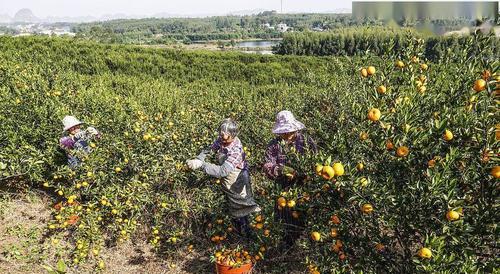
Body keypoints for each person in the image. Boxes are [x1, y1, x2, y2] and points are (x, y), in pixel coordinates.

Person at [187, 118, 260, 238]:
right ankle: (238, 234)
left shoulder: (236, 151)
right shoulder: (221, 139)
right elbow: (210, 149)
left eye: (226, 139)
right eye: (222, 137)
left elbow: (223, 171)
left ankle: (248, 236)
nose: (223, 141)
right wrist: (199, 158)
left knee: (242, 206)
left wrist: (202, 165)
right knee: (232, 207)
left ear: (233, 135)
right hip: (226, 177)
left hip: (238, 179)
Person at [263, 110, 316, 250]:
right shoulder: (273, 145)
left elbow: (316, 162)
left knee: (304, 215)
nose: (287, 134)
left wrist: (302, 173)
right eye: (284, 132)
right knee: (285, 218)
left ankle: (306, 246)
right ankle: (287, 247)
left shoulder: (306, 141)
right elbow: (268, 165)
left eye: (289, 131)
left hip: (303, 186)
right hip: (283, 187)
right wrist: (282, 170)